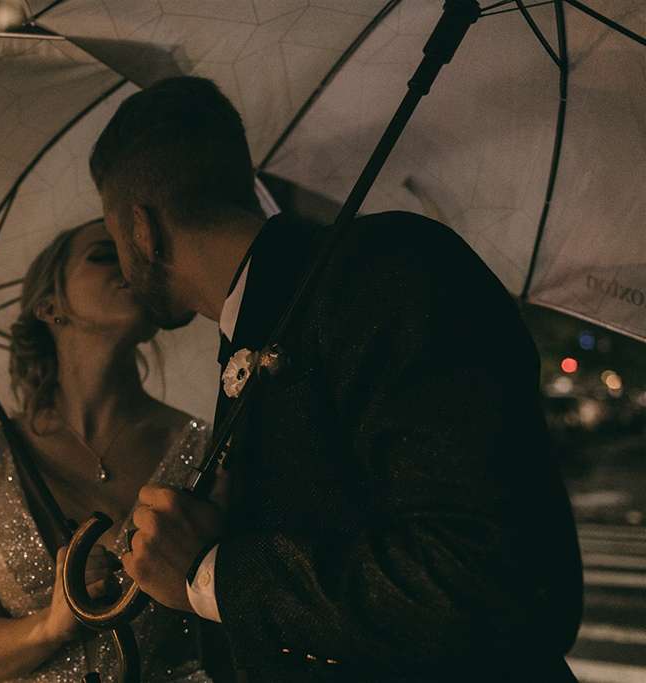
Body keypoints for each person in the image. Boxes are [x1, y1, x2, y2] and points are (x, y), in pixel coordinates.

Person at [91, 76, 584, 682]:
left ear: (142, 230)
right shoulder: (258, 324)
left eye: (113, 238)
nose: (123, 265)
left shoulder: (390, 272)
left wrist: (211, 574)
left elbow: (492, 578)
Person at [0, 220, 214, 682]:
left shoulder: (203, 449)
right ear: (50, 307)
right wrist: (51, 625)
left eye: (132, 254)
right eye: (104, 255)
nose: (127, 265)